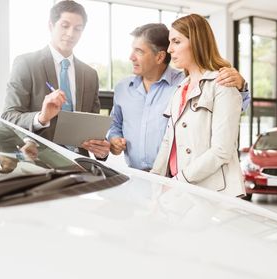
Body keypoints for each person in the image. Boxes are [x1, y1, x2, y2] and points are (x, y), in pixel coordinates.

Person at [107, 23, 250, 171]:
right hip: (135, 175)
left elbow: (235, 107)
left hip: (175, 177)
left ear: (160, 57)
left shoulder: (185, 84)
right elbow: (114, 124)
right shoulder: (122, 88)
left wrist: (240, 86)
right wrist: (113, 138)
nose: (131, 57)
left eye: (139, 51)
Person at [150, 14, 245, 197]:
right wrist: (155, 181)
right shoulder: (179, 90)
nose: (169, 49)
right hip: (180, 193)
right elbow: (168, 141)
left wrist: (179, 180)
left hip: (211, 195)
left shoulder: (223, 85)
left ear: (197, 41)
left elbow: (221, 151)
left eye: (176, 41)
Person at [1, 0, 109, 159]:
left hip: (80, 165)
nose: (71, 34)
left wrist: (101, 150)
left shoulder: (90, 74)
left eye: (77, 29)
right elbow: (8, 117)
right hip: (39, 162)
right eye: (65, 26)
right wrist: (41, 118)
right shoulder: (26, 64)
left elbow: (92, 129)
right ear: (51, 26)